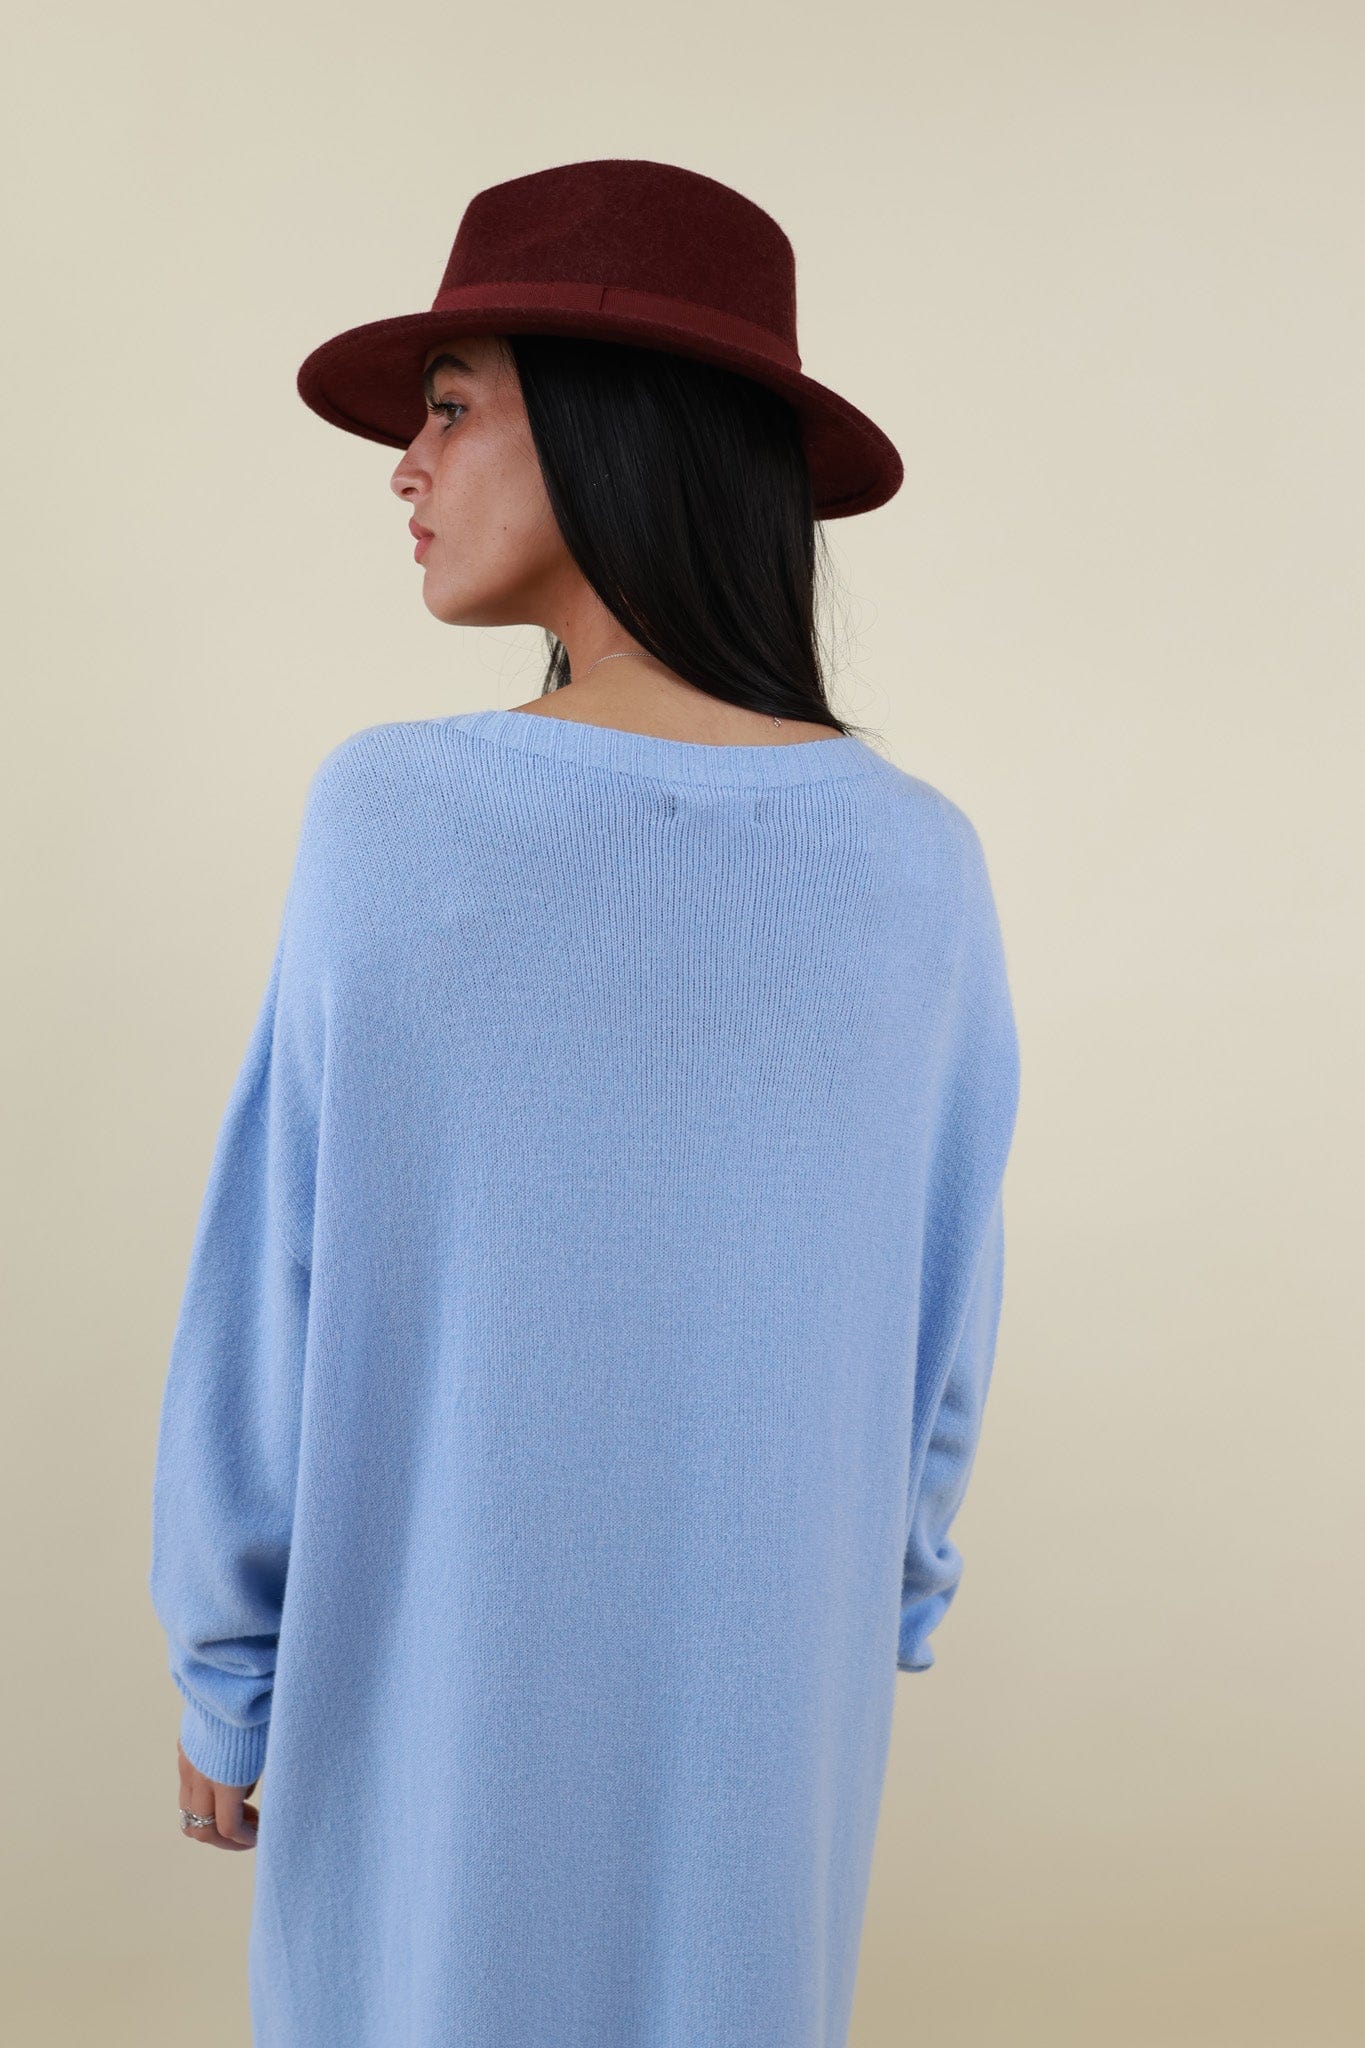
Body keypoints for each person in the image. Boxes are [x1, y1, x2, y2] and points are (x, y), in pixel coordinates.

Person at [148, 159, 1022, 2048]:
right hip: (766, 1727)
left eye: (449, 407)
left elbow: (273, 1279)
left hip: (429, 1721)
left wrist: (227, 1658)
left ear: (616, 428)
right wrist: (882, 1588)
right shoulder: (918, 864)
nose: (404, 465)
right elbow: (941, 1325)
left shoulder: (395, 814)